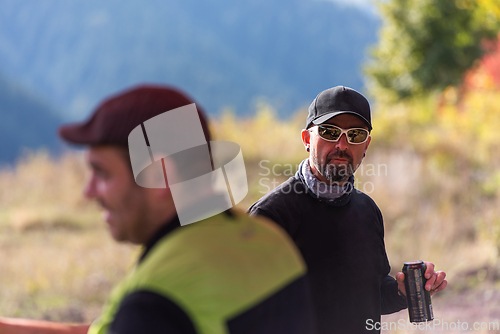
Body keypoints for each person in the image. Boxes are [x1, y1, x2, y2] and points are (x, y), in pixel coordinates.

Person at [0, 85, 316, 334]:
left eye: (103, 174)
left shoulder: (155, 301)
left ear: (161, 174)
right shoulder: (267, 240)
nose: (88, 191)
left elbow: (142, 318)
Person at [248, 86, 448, 334]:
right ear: (307, 139)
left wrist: (402, 291)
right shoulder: (271, 216)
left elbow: (372, 296)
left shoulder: (367, 210)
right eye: (330, 132)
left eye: (355, 135)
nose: (342, 145)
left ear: (366, 145)